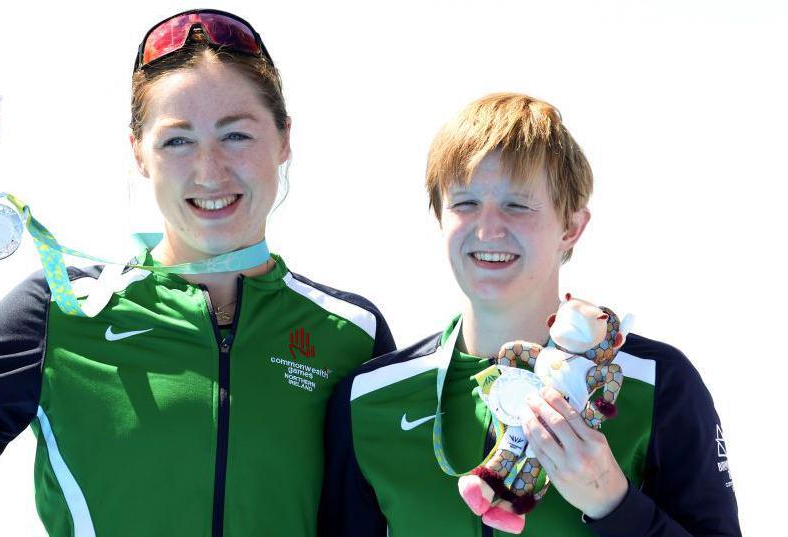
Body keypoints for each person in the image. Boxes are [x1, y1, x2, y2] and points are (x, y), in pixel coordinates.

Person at [0, 9, 395, 536]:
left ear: (284, 139)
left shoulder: (349, 332)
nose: (210, 171)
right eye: (177, 140)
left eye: (236, 135)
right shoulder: (62, 308)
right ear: (139, 153)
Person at [317, 93, 740, 536]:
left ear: (571, 226)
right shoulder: (369, 399)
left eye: (517, 205)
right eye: (464, 204)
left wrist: (612, 502)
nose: (487, 229)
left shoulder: (657, 383)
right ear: (439, 217)